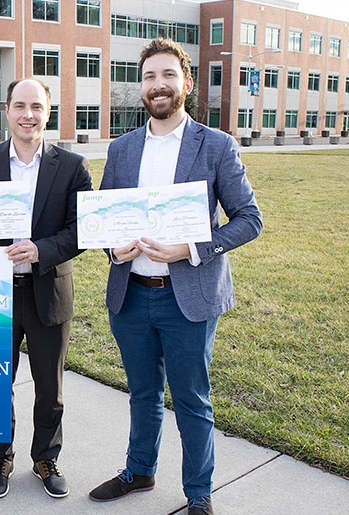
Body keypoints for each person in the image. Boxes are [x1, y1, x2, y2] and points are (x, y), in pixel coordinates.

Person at [88, 38, 262, 515]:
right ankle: (139, 470)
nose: (158, 85)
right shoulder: (122, 149)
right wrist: (112, 247)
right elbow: (106, 219)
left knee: (191, 400)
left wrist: (191, 248)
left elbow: (249, 218)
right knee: (142, 393)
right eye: (149, 77)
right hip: (131, 294)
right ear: (140, 87)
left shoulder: (216, 144)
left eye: (168, 75)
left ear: (186, 83)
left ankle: (198, 494)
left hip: (188, 297)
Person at [0, 78, 92, 499]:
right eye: (20, 105)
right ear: (7, 112)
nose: (28, 114)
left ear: (47, 112)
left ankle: (45, 457)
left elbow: (83, 229)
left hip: (48, 290)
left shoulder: (71, 165)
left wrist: (42, 249)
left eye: (36, 106)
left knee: (50, 388)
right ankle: (0, 456)